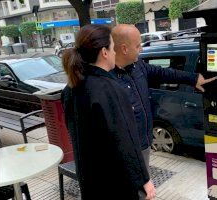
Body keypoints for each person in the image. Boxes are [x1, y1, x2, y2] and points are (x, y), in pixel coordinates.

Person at [61, 24, 155, 200]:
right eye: (112, 48)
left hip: (89, 178)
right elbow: (125, 139)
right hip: (114, 181)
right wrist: (144, 179)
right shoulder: (110, 89)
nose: (114, 53)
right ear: (104, 52)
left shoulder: (71, 87)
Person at [111, 24, 217, 172]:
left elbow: (164, 73)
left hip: (145, 142)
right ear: (124, 49)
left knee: (143, 184)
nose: (141, 49)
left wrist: (193, 78)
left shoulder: (138, 66)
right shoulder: (108, 80)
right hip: (128, 149)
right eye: (137, 46)